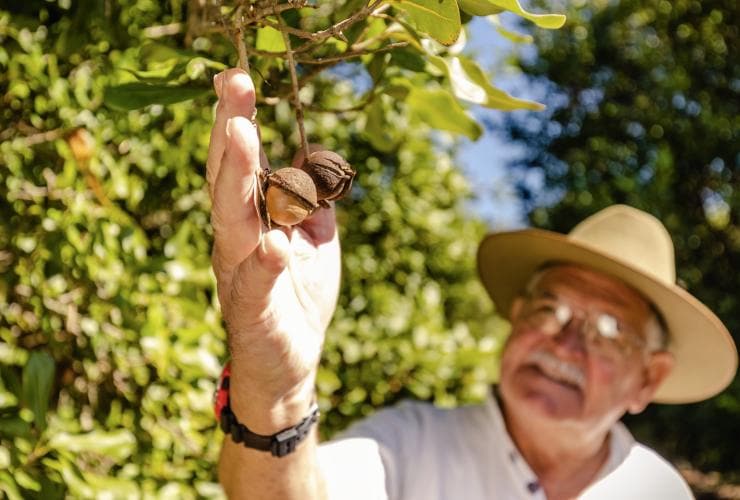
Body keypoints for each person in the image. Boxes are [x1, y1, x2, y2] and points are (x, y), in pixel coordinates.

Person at [208, 69, 738, 499]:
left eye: (607, 329)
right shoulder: (412, 444)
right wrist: (277, 389)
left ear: (650, 379)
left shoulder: (657, 489)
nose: (564, 342)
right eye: (548, 308)